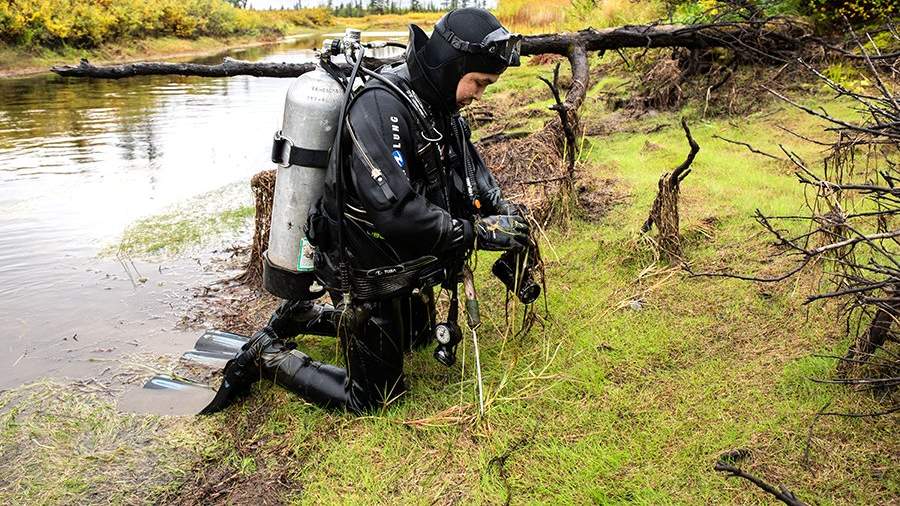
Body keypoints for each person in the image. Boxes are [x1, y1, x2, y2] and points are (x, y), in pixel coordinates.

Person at [201, 8, 530, 415]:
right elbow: (395, 212)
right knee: (374, 399)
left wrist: (506, 212)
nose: (480, 93)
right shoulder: (380, 106)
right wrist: (476, 234)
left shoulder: (441, 108)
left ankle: (303, 317)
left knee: (416, 340)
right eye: (479, 82)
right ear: (452, 66)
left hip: (402, 261)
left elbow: (472, 174)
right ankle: (266, 354)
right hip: (364, 269)